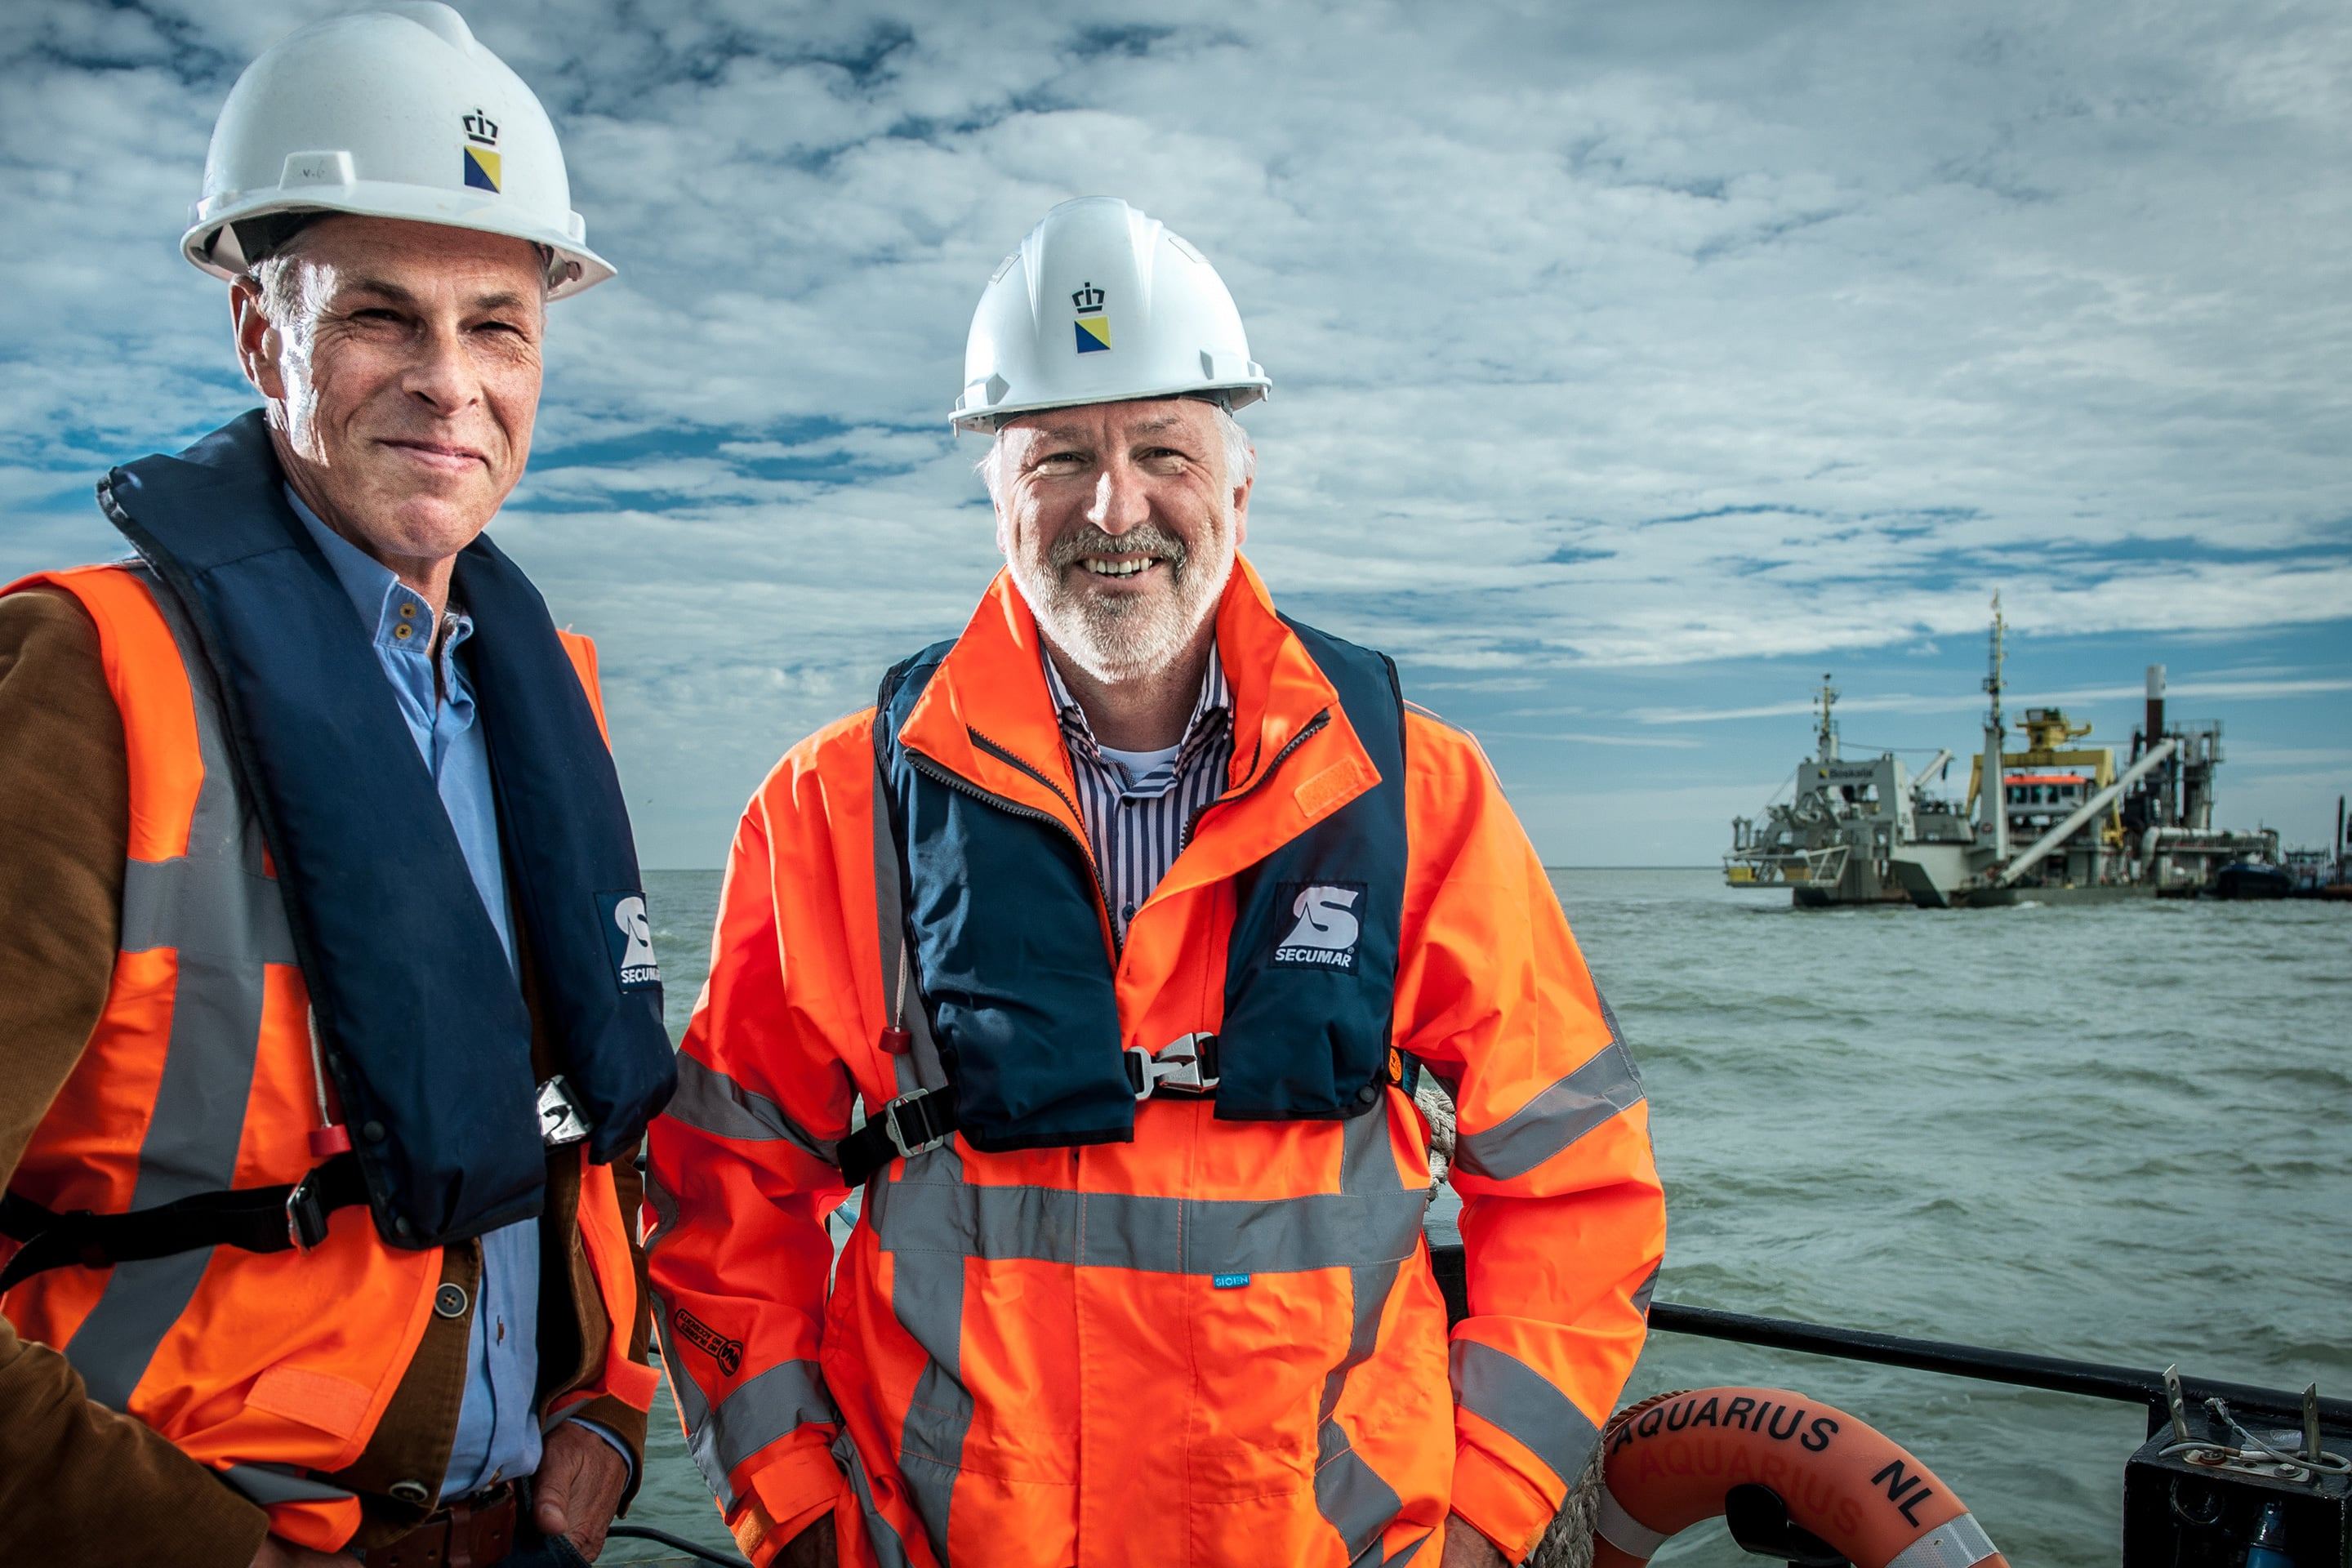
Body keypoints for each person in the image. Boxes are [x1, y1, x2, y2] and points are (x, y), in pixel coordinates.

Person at [647, 196, 1665, 1568]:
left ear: (1237, 483)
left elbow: (1575, 1190)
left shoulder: (1419, 794)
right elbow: (722, 1199)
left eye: (1163, 452)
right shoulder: (831, 810)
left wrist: (1483, 1522)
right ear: (996, 490)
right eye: (1060, 455)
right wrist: (800, 1516)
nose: (1114, 509)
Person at [0, 7, 675, 1566]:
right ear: (259, 334)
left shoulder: (544, 693)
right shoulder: (81, 687)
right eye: (381, 316)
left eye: (497, 325)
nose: (451, 383)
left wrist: (608, 1418)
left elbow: (584, 1134)